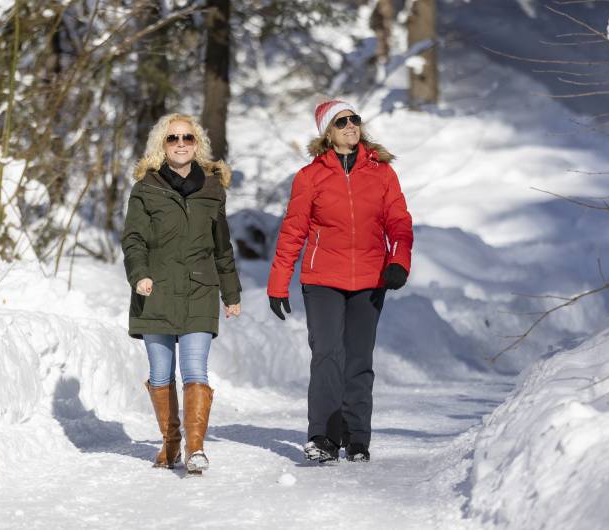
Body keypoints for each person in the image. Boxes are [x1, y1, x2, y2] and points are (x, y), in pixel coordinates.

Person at [266, 99, 413, 463]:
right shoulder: (310, 176)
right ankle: (323, 437)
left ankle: (357, 437)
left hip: (370, 276)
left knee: (359, 359)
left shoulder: (382, 174)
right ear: (327, 133)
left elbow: (399, 222)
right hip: (323, 279)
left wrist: (398, 261)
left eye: (354, 119)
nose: (351, 125)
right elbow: (293, 231)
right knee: (327, 355)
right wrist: (278, 282)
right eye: (341, 121)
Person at [121, 113, 242, 475]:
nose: (180, 143)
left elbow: (223, 247)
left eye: (187, 137)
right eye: (173, 138)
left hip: (199, 290)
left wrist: (231, 293)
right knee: (160, 373)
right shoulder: (146, 188)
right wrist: (139, 275)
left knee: (195, 370)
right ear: (162, 144)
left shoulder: (212, 188)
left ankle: (196, 448)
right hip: (155, 289)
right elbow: (133, 240)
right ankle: (171, 440)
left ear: (197, 143)